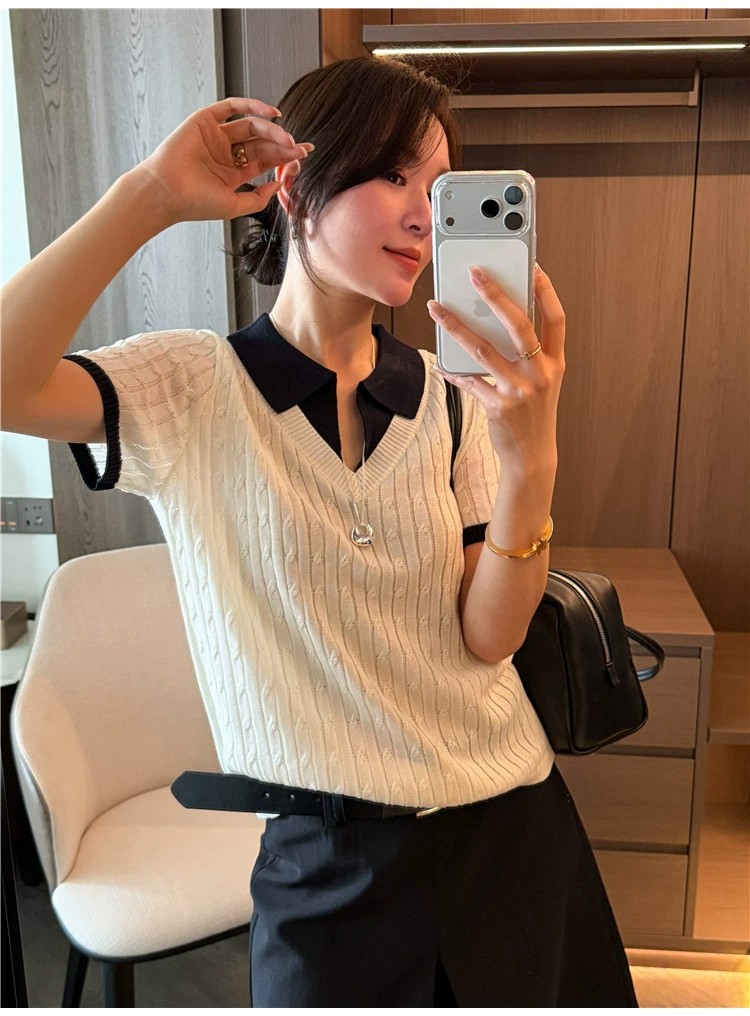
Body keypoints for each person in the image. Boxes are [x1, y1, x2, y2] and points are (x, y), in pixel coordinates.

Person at [2, 55, 637, 1007]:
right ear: (295, 185)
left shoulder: (453, 400)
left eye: (440, 188)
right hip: (325, 865)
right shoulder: (189, 389)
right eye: (394, 176)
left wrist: (532, 458)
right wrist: (151, 196)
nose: (424, 217)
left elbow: (489, 638)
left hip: (510, 834)